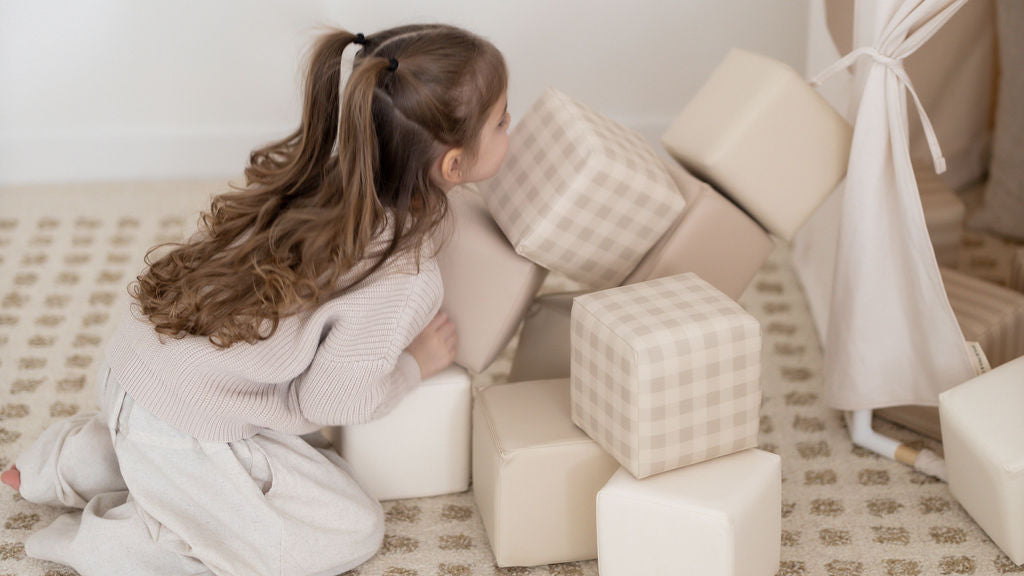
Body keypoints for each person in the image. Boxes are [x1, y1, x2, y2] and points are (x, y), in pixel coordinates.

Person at [0, 23, 510, 575]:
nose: (513, 129)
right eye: (503, 120)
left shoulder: (319, 175)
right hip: (185, 423)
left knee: (186, 453)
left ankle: (74, 461)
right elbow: (332, 401)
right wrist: (415, 365)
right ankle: (122, 546)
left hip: (134, 369)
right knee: (348, 527)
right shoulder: (405, 274)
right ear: (454, 166)